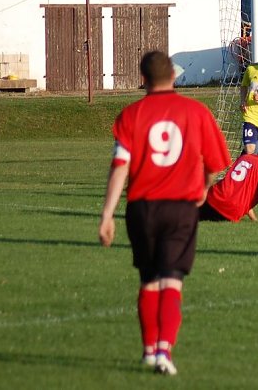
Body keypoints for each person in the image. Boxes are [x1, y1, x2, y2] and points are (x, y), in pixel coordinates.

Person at [98, 51, 231, 376]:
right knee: (172, 281)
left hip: (141, 208)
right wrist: (203, 185)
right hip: (181, 208)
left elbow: (119, 167)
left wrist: (106, 215)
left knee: (148, 280)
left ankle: (147, 350)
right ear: (173, 76)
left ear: (142, 79)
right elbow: (216, 162)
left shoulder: (130, 115)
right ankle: (164, 352)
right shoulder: (196, 112)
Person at [199, 137, 258, 223]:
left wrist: (254, 219)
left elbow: (241, 192)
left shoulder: (244, 158)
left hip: (211, 198)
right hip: (229, 211)